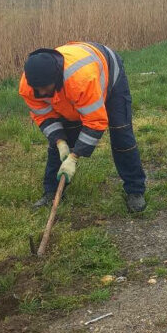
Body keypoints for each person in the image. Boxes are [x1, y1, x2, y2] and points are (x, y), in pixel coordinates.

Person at [19, 42, 147, 213]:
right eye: (38, 89)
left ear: (56, 78)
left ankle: (135, 190)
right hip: (75, 89)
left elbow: (95, 122)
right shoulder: (29, 86)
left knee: (121, 134)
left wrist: (74, 156)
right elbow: (45, 116)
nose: (41, 93)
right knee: (61, 141)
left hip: (109, 74)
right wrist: (60, 141)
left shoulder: (81, 80)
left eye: (45, 88)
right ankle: (51, 192)